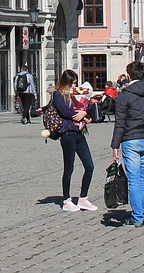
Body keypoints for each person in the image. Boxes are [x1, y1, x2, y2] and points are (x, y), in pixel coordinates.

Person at [110, 61, 144, 227]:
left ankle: (137, 216)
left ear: (129, 75)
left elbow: (120, 123)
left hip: (131, 139)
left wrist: (115, 145)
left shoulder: (124, 96)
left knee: (134, 180)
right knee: (143, 178)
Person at [52, 69, 96, 212]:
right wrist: (82, 114)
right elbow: (65, 112)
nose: (74, 87)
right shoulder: (58, 95)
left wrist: (85, 111)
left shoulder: (76, 94)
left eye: (76, 84)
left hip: (79, 133)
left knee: (89, 166)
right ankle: (66, 200)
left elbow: (88, 106)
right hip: (68, 134)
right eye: (72, 84)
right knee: (69, 168)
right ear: (66, 82)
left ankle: (83, 198)